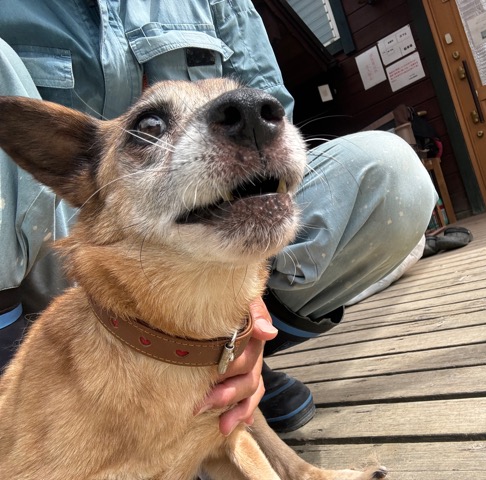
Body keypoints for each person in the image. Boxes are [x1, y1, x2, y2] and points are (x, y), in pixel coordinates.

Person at [0, 0, 437, 434]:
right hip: (58, 264)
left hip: (226, 244)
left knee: (392, 172)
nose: (249, 114)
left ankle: (230, 361)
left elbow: (276, 118)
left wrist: (245, 315)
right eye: (151, 129)